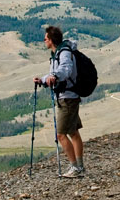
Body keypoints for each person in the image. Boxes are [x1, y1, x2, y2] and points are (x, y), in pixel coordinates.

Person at [35, 25, 85, 178]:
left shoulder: (63, 53)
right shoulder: (58, 52)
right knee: (73, 133)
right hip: (69, 96)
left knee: (61, 135)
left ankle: (75, 168)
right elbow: (54, 74)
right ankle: (79, 167)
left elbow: (65, 69)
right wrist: (43, 80)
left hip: (67, 98)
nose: (44, 40)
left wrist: (54, 77)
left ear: (51, 40)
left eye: (46, 38)